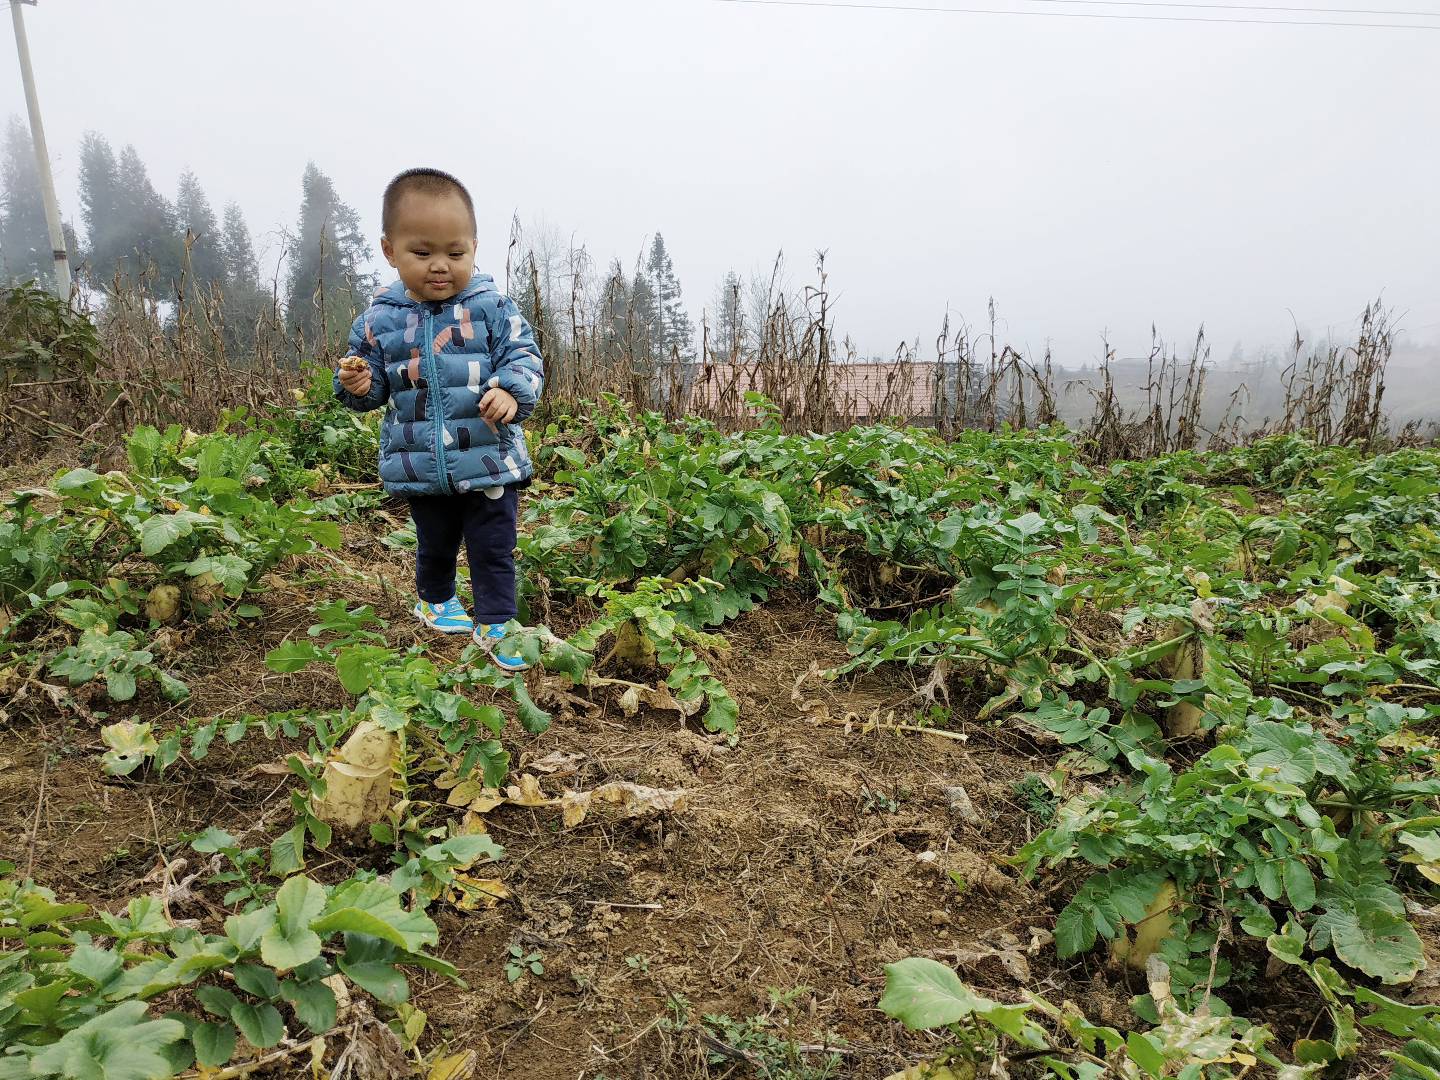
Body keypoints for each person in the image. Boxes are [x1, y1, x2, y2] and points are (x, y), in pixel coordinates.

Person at [334, 167, 543, 671]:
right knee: (435, 541)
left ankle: (497, 621)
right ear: (390, 251)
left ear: (474, 247)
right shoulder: (378, 321)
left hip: (488, 456)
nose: (440, 266)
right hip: (420, 462)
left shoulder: (492, 307)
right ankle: (435, 601)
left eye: (455, 253)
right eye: (422, 253)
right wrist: (358, 385)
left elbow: (525, 356)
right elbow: (374, 388)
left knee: (494, 545)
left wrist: (513, 393)